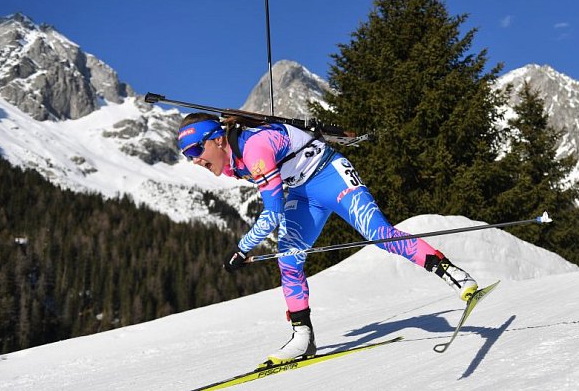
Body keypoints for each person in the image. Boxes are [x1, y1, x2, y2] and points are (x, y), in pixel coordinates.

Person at [177, 113, 478, 363]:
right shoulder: (230, 163)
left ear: (217, 139)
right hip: (303, 193)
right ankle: (302, 338)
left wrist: (242, 249)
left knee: (380, 234)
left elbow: (273, 212)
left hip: (330, 174)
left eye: (195, 151)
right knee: (288, 258)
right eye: (188, 155)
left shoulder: (254, 148)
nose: (194, 161)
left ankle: (455, 275)